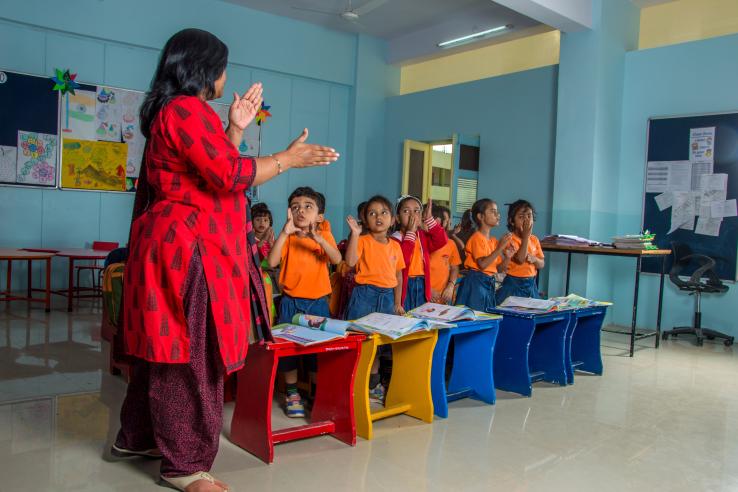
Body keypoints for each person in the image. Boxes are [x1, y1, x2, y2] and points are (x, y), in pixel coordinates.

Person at [112, 28, 339, 492]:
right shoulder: (185, 110)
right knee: (191, 354)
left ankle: (137, 438)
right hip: (189, 250)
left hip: (174, 246)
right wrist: (287, 159)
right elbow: (228, 172)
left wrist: (234, 128)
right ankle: (184, 465)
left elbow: (210, 175)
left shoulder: (176, 113)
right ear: (204, 69)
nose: (226, 76)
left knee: (164, 347)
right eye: (223, 67)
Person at [267, 186, 341, 417]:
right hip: (290, 302)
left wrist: (318, 238)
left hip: (317, 304)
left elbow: (337, 259)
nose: (301, 211)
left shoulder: (324, 236)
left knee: (315, 351)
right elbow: (271, 262)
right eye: (296, 207)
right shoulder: (287, 238)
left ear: (319, 215)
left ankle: (315, 393)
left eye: (308, 206)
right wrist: (284, 232)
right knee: (289, 350)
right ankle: (292, 393)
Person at [344, 195, 405, 403]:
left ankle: (372, 385)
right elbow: (350, 261)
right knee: (359, 342)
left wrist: (397, 303)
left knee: (378, 346)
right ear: (365, 219)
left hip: (387, 298)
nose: (378, 217)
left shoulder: (395, 245)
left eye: (383, 213)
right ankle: (353, 386)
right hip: (364, 296)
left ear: (393, 219)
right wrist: (354, 234)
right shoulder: (362, 241)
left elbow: (399, 275)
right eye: (372, 213)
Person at [391, 195, 448, 312]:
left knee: (420, 318)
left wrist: (430, 220)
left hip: (422, 283)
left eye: (416, 211)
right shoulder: (394, 239)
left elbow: (442, 241)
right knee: (405, 319)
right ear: (397, 218)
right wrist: (411, 233)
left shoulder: (421, 236)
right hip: (404, 286)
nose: (412, 215)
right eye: (406, 211)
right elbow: (403, 259)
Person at [455, 199, 510, 312]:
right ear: (480, 216)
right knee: (474, 317)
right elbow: (483, 264)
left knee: (487, 316)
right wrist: (500, 247)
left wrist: (508, 256)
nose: (497, 214)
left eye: (497, 211)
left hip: (488, 282)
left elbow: (499, 269)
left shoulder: (493, 241)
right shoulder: (476, 238)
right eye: (492, 211)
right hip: (476, 283)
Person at [496, 199, 545, 304]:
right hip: (513, 284)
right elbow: (520, 259)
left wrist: (535, 259)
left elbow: (541, 264)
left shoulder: (534, 239)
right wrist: (526, 237)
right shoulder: (509, 239)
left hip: (531, 284)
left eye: (529, 216)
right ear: (511, 221)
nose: (526, 220)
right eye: (521, 217)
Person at [428, 204, 462, 305]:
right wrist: (427, 289)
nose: (450, 223)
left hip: (442, 297)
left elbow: (455, 268)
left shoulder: (451, 243)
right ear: (437, 221)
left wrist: (450, 286)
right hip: (423, 295)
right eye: (447, 220)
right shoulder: (424, 242)